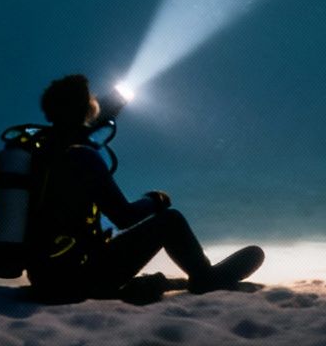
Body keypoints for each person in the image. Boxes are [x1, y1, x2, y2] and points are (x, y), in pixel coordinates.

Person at [22, 74, 263, 302]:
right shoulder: (81, 156)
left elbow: (85, 126)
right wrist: (155, 200)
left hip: (46, 279)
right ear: (82, 108)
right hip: (77, 278)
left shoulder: (41, 151)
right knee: (171, 221)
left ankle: (196, 277)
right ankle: (205, 279)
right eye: (90, 99)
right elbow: (123, 216)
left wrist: (110, 107)